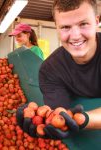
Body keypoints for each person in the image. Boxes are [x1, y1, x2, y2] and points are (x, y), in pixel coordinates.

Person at [16, 0, 101, 142]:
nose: (75, 36)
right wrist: (45, 121)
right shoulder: (50, 69)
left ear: (97, 22)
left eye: (83, 24)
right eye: (65, 27)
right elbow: (59, 117)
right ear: (56, 28)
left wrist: (84, 119)